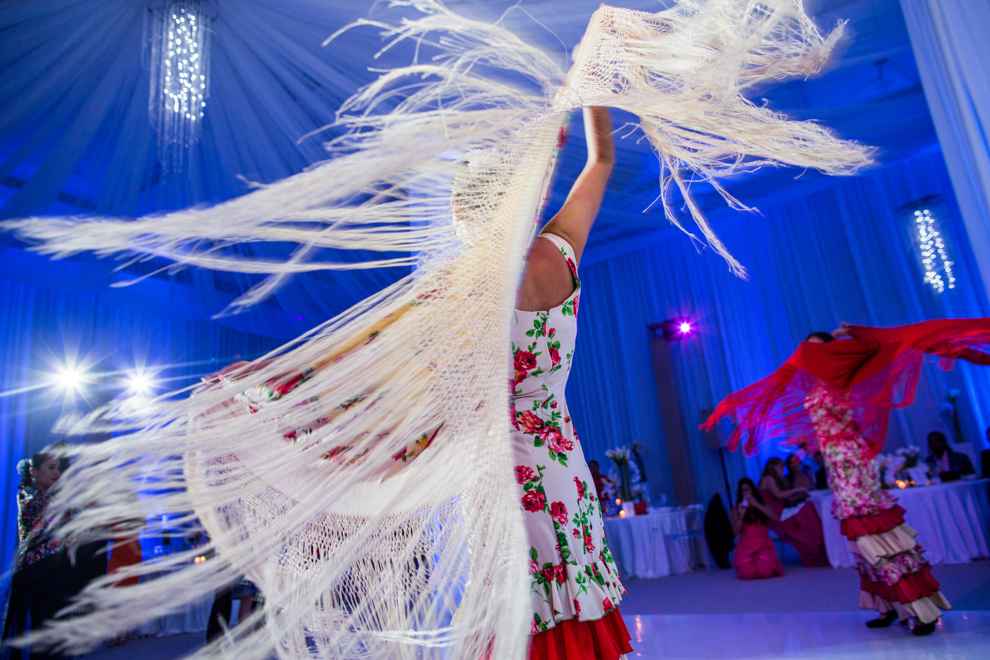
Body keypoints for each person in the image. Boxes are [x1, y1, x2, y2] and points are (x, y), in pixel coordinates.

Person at [3, 5, 874, 658]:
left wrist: (259, 385)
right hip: (562, 464)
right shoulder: (557, 256)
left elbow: (353, 357)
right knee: (575, 607)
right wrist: (596, 92)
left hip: (504, 478)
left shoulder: (463, 293)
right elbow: (603, 162)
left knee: (519, 615)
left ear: (470, 219)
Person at [705, 319, 990, 636]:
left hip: (853, 461)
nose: (809, 354)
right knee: (860, 542)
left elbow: (871, 347)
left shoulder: (842, 378)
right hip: (837, 466)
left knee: (874, 534)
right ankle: (888, 606)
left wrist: (844, 336)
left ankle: (919, 608)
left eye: (817, 348)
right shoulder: (814, 386)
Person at [1, 449, 69, 660]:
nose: (56, 472)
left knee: (52, 628)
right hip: (34, 571)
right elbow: (44, 510)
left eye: (58, 468)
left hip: (55, 568)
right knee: (36, 629)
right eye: (50, 467)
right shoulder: (27, 496)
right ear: (33, 471)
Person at [757, 458, 827, 567]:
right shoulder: (769, 478)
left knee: (807, 509)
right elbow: (779, 495)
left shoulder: (773, 479)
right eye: (781, 467)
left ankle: (815, 547)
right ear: (774, 467)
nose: (782, 470)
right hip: (776, 513)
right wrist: (798, 489)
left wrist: (799, 494)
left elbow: (783, 498)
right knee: (807, 511)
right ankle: (814, 547)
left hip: (779, 510)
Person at [730, 478, 783, 580]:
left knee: (765, 572)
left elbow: (775, 517)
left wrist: (756, 505)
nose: (746, 493)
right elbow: (735, 532)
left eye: (748, 490)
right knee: (747, 573)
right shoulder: (736, 509)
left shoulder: (763, 506)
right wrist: (741, 515)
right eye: (743, 491)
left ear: (753, 490)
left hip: (762, 544)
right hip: (746, 545)